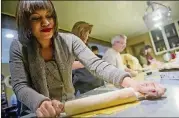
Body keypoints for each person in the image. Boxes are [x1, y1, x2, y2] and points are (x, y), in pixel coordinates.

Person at [10, 1, 165, 117]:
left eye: (49, 16)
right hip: (37, 111)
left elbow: (96, 64)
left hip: (69, 107)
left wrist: (133, 84)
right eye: (36, 18)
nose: (46, 22)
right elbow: (20, 85)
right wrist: (41, 103)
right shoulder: (18, 47)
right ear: (25, 23)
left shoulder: (69, 40)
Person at [71, 21, 104, 95]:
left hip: (97, 82)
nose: (87, 36)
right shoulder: (70, 45)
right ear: (81, 32)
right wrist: (83, 63)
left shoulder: (86, 46)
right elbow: (66, 65)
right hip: (85, 85)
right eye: (87, 33)